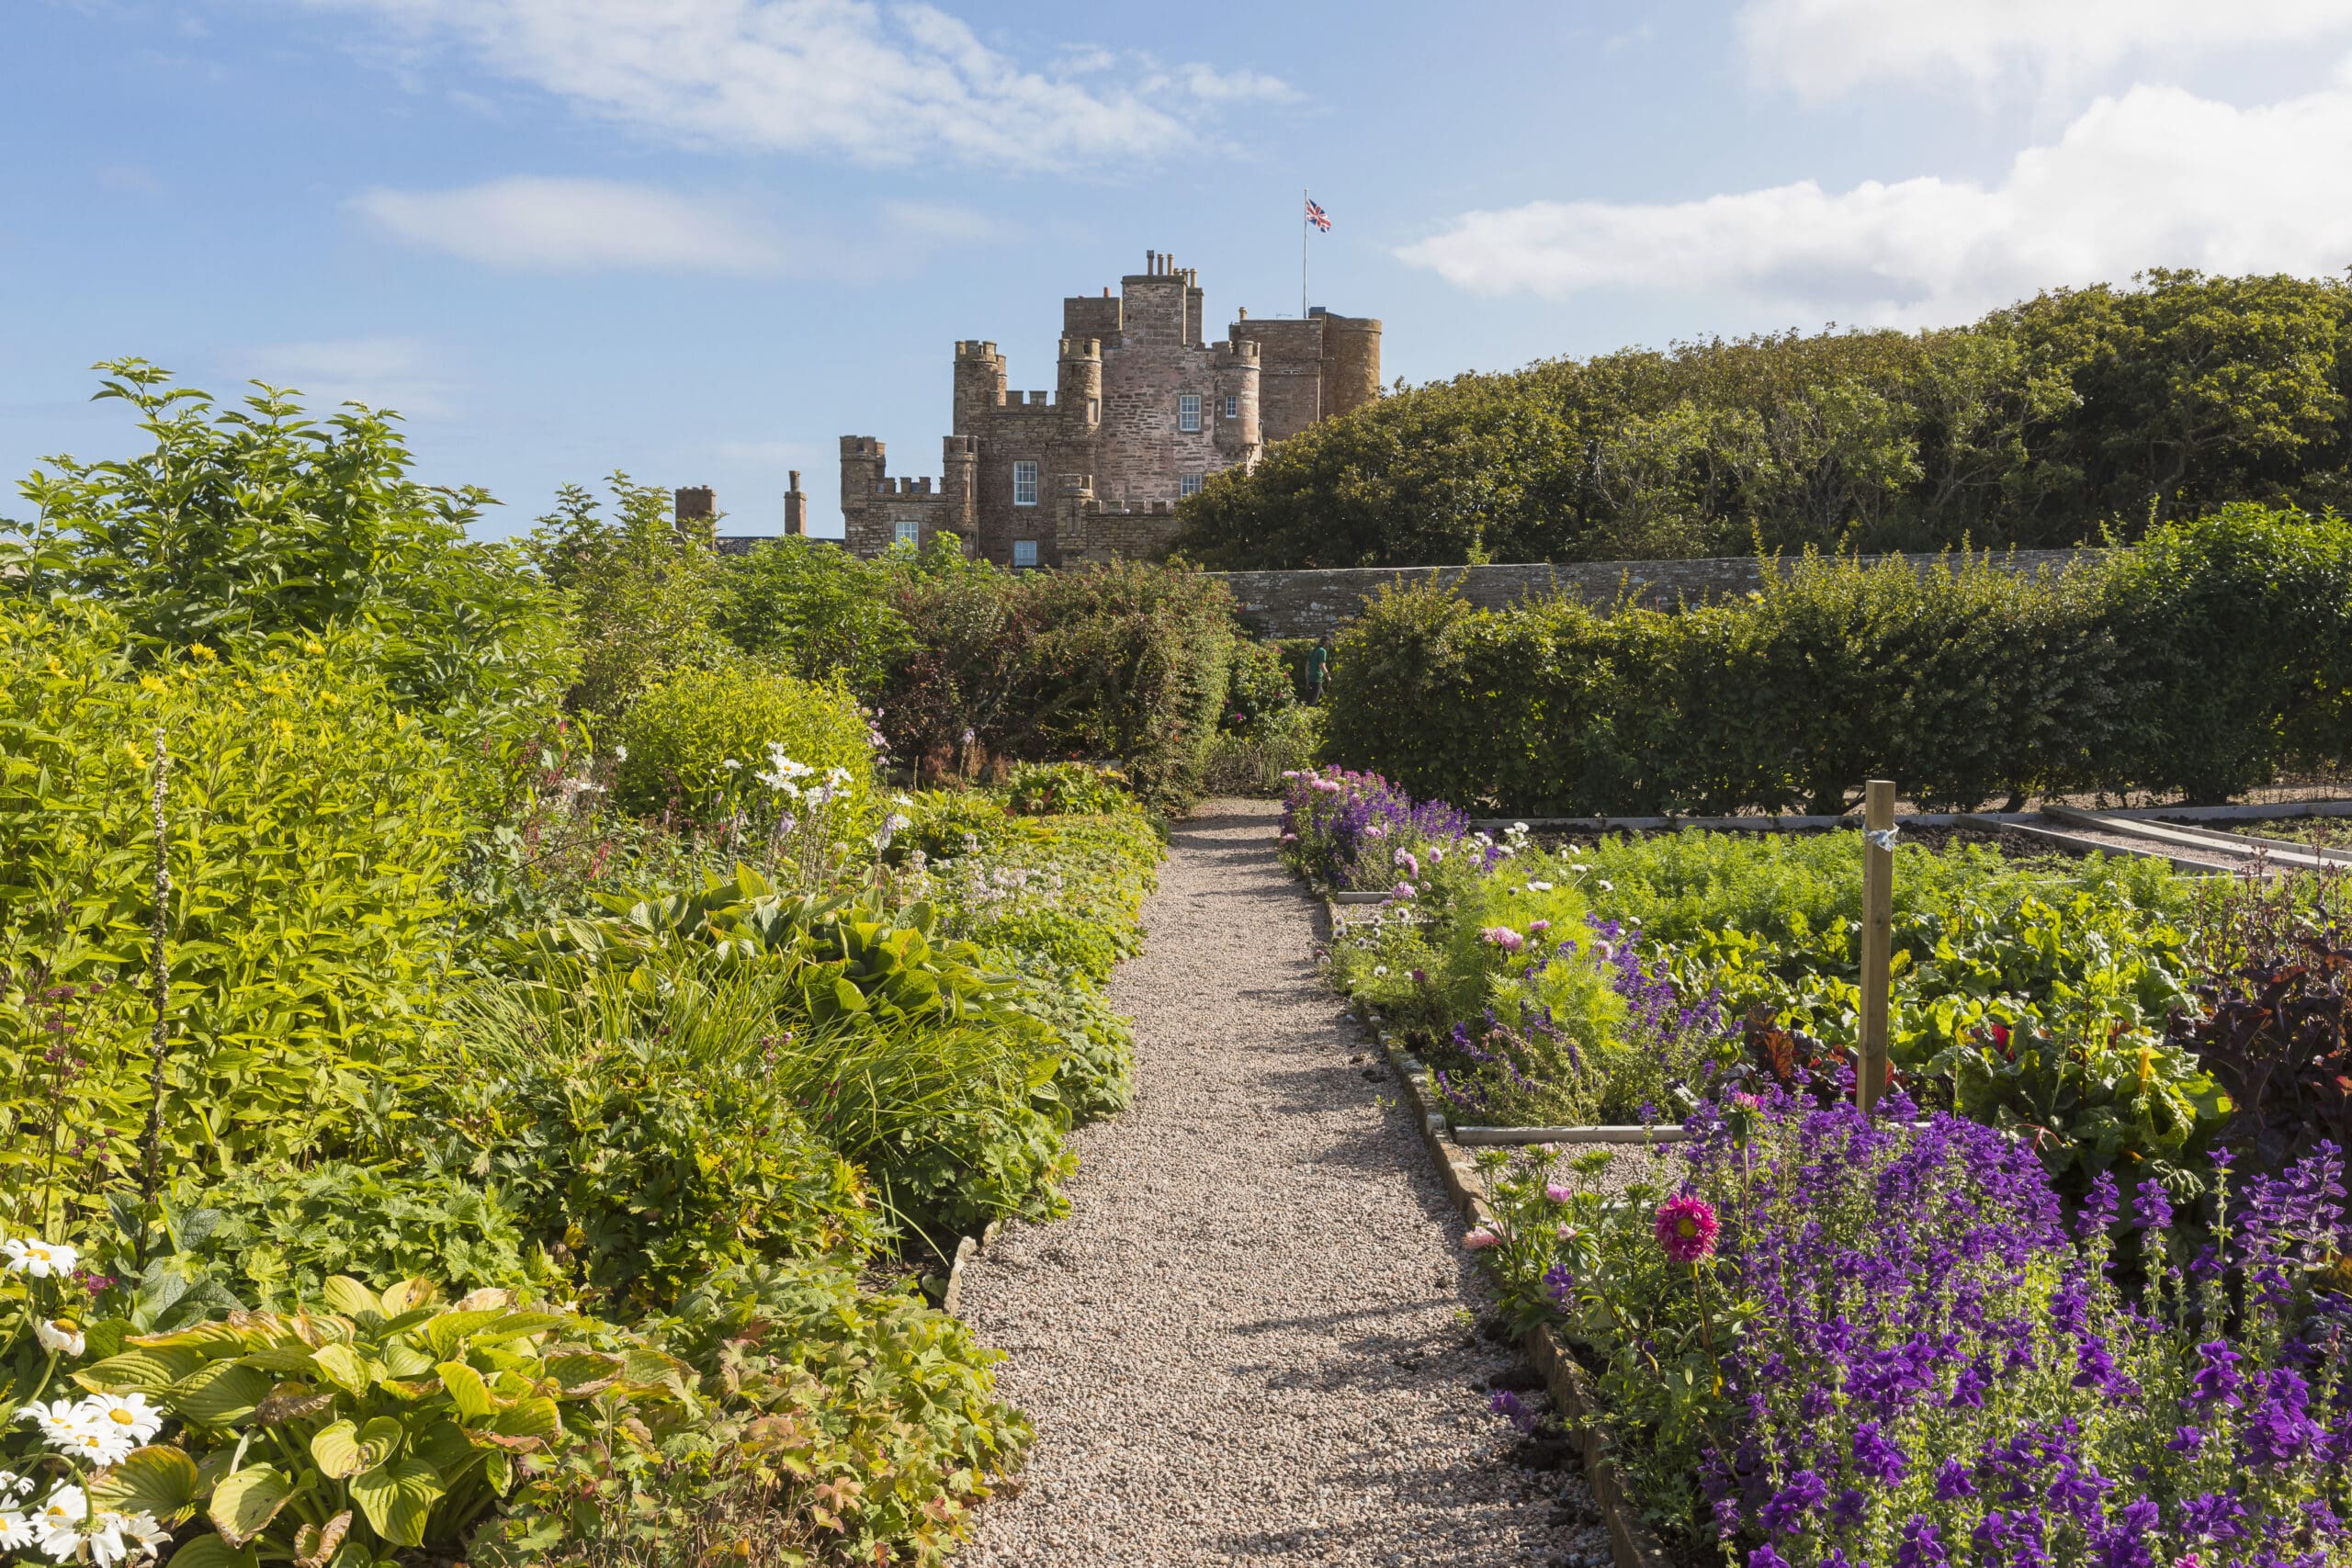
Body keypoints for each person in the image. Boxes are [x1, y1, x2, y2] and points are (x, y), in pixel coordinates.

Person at [1306, 638, 1330, 704]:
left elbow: (1307, 666)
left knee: (1324, 700)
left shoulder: (1312, 651)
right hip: (1317, 678)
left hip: (1311, 678)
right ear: (1326, 642)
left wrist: (1307, 680)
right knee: (1313, 703)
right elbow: (1322, 666)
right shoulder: (1322, 651)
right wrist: (1328, 678)